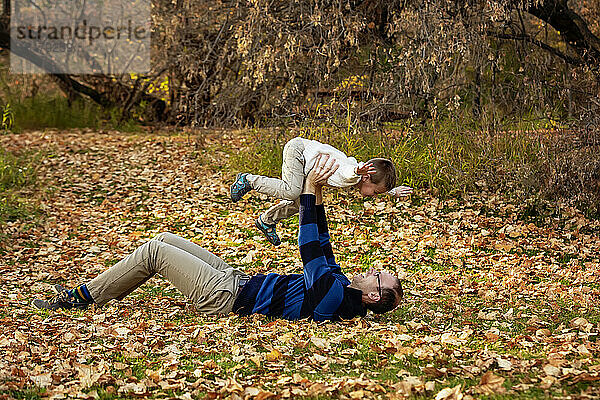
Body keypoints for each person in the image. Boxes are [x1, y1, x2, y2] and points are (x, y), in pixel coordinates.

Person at [33, 155, 404, 321]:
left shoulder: (335, 298)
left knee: (153, 252)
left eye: (379, 276)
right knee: (164, 237)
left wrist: (307, 187)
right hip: (237, 281)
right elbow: (321, 242)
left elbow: (308, 250)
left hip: (226, 297)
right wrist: (316, 190)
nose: (374, 270)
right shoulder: (342, 287)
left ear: (372, 295)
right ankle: (93, 291)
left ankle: (79, 297)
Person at [230, 136, 413, 246]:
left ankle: (266, 221)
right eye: (376, 192)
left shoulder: (362, 174)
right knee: (291, 191)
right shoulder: (352, 172)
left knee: (301, 201)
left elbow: (367, 178)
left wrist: (392, 191)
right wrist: (356, 171)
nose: (374, 196)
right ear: (365, 177)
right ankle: (247, 180)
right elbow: (346, 172)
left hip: (307, 161)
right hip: (299, 151)